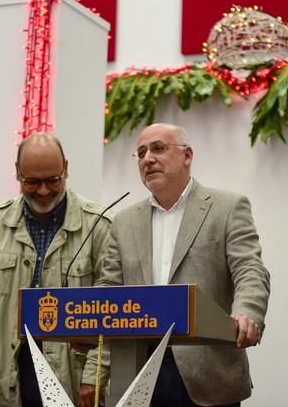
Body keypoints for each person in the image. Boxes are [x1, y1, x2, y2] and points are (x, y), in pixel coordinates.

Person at [97, 123, 270, 407]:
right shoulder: (123, 221)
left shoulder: (227, 207)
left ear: (187, 155)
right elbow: (109, 288)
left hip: (208, 373)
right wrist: (88, 324)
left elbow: (250, 269)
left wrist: (246, 311)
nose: (147, 158)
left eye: (158, 149)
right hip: (138, 370)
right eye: (141, 153)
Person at [0, 133, 111, 407]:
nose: (43, 191)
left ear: (66, 168)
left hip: (74, 377)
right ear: (17, 173)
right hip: (12, 374)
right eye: (32, 182)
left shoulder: (99, 225)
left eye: (52, 180)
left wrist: (95, 375)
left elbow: (113, 309)